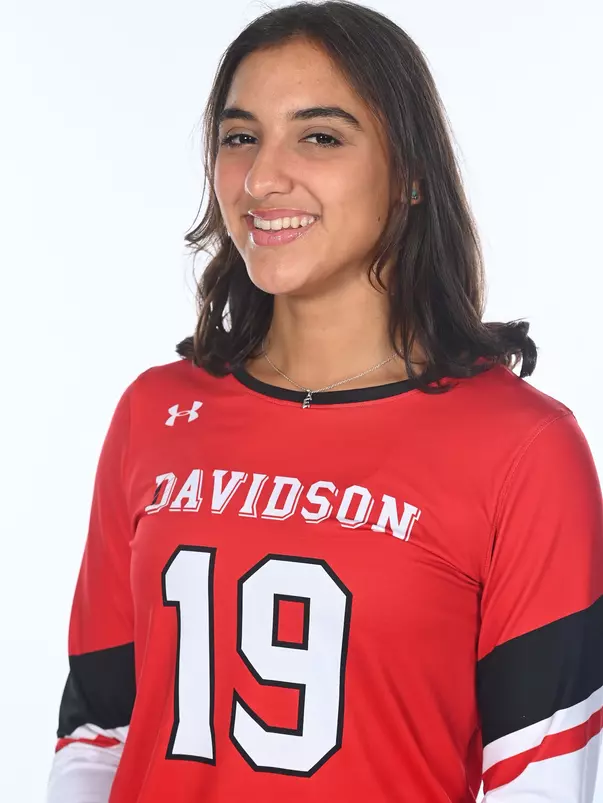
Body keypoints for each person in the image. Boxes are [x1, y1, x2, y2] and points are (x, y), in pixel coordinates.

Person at [46, 1, 603, 801]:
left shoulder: (521, 446)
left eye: (319, 136)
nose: (263, 177)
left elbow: (539, 780)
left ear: (409, 173)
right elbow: (99, 733)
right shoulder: (153, 412)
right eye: (240, 137)